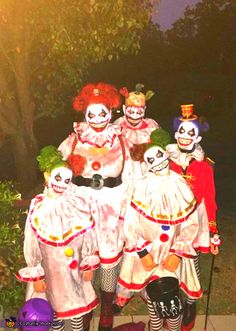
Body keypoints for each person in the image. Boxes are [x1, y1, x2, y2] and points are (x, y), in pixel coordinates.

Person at [58, 83, 132, 331]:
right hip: (80, 205)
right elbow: (55, 169)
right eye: (93, 113)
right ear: (84, 113)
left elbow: (132, 173)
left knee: (109, 257)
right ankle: (87, 305)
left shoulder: (120, 138)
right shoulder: (73, 139)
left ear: (110, 112)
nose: (98, 119)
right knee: (83, 256)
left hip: (111, 204)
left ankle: (107, 309)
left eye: (103, 113)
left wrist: (128, 204)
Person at [116, 128, 205, 331]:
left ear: (166, 153)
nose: (157, 161)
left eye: (159, 155)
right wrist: (142, 252)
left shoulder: (180, 184)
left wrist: (178, 253)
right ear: (145, 165)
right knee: (155, 303)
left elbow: (191, 224)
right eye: (150, 159)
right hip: (150, 256)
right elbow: (130, 224)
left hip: (172, 255)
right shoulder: (140, 187)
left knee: (172, 305)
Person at [16, 146, 99, 331]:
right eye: (58, 178)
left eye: (67, 180)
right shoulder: (38, 206)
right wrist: (36, 274)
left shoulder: (77, 203)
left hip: (75, 270)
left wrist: (87, 261)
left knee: (77, 308)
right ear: (47, 176)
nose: (62, 183)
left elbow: (88, 235)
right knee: (54, 313)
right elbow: (31, 242)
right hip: (51, 273)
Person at [166, 104, 221, 331]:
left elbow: (210, 198)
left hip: (194, 219)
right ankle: (174, 299)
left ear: (197, 136)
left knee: (192, 260)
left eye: (191, 132)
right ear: (175, 133)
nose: (185, 136)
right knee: (171, 259)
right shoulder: (166, 161)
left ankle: (190, 301)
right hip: (169, 219)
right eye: (181, 131)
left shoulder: (205, 166)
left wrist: (213, 231)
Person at [114, 83, 160, 180]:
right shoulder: (117, 126)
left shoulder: (152, 126)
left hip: (149, 175)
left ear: (145, 110)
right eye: (130, 111)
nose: (135, 116)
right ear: (123, 109)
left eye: (139, 112)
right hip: (123, 177)